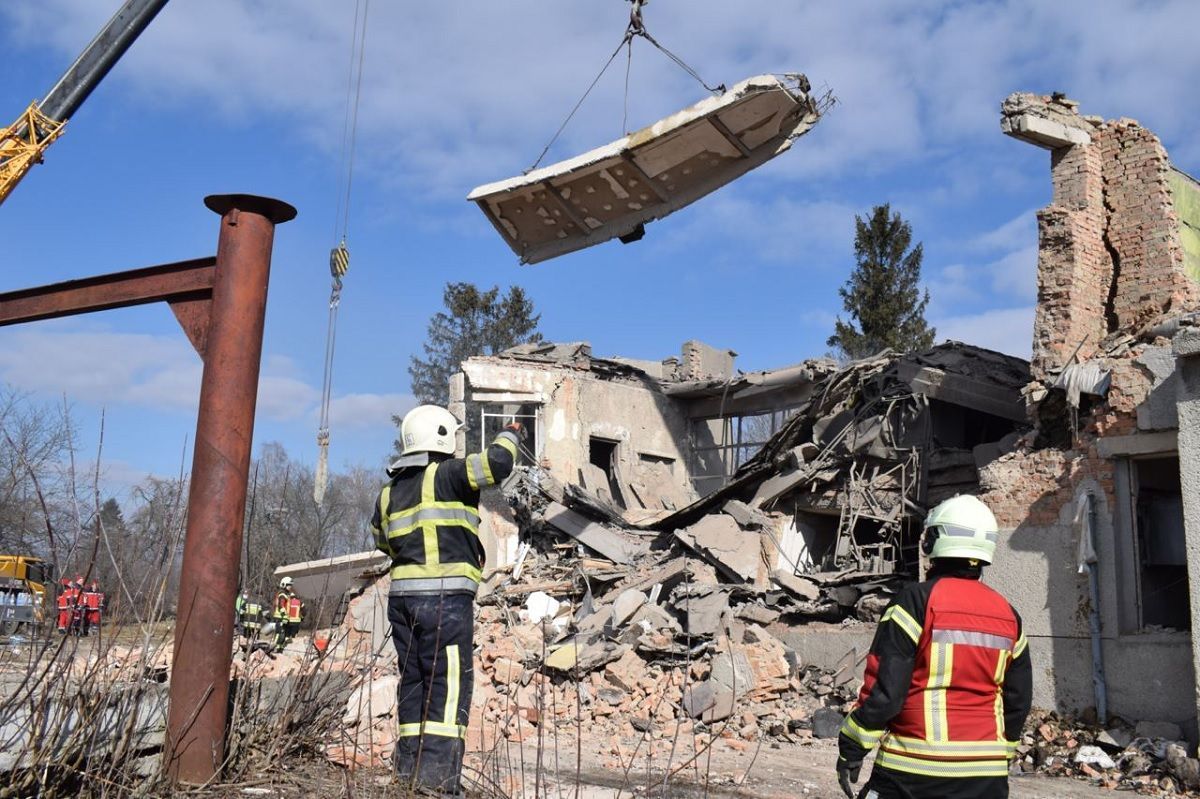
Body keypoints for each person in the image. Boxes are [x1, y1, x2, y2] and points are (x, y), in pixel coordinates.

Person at [836, 495, 1033, 799]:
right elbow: (1018, 700)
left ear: (935, 542)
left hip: (915, 770)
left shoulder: (915, 601)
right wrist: (1003, 755)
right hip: (987, 777)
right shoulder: (1009, 614)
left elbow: (885, 692)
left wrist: (852, 747)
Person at [372, 405, 520, 796]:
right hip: (444, 601)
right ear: (441, 438)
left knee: (415, 682)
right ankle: (436, 784)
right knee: (448, 684)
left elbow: (382, 540)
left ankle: (408, 772)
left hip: (402, 602)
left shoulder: (388, 494)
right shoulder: (449, 475)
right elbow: (498, 462)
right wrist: (512, 431)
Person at [273, 577, 303, 650]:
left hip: (284, 618)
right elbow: (281, 606)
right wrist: (284, 616)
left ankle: (280, 648)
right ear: (284, 585)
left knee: (284, 635)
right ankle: (274, 648)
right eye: (289, 585)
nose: (290, 587)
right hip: (280, 618)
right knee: (280, 634)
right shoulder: (282, 594)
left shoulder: (287, 595)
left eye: (291, 585)